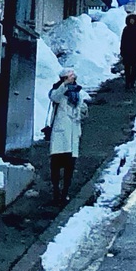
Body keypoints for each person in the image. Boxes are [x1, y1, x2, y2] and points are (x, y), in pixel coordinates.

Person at [44, 70, 83, 207]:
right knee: (55, 166)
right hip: (60, 134)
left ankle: (65, 193)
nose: (73, 79)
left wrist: (82, 112)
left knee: (69, 167)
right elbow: (55, 97)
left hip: (73, 133)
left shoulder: (77, 92)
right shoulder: (57, 90)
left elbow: (81, 108)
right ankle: (55, 192)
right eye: (70, 77)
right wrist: (64, 85)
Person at [119, 12, 136, 93]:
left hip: (135, 52)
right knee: (127, 68)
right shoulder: (126, 29)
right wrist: (122, 50)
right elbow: (123, 41)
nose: (131, 22)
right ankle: (128, 82)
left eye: (133, 20)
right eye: (130, 20)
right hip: (127, 51)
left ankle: (132, 81)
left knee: (134, 67)